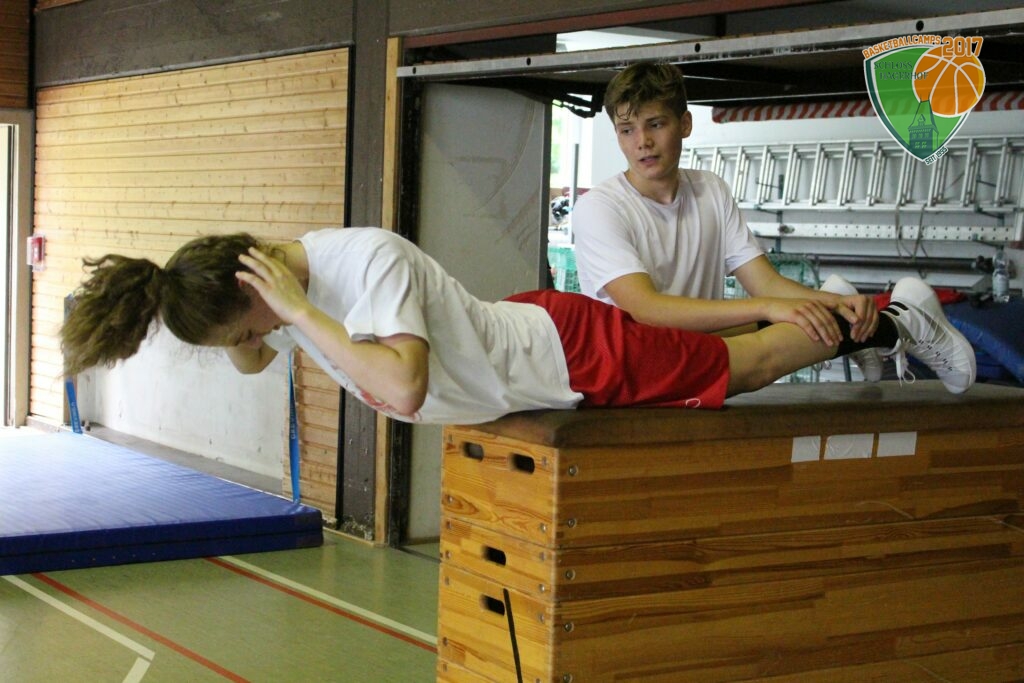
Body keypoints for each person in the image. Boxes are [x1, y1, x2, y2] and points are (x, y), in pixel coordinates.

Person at [60, 228, 975, 426]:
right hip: (541, 357)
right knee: (741, 364)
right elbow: (257, 361)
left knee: (752, 364)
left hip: (571, 350)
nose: (247, 346)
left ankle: (895, 312)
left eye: (238, 332)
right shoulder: (281, 294)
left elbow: (403, 386)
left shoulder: (362, 265)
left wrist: (298, 315)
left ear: (263, 289)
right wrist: (255, 330)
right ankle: (858, 307)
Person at [571, 61, 884, 380]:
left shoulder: (710, 189)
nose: (642, 142)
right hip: (634, 372)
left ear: (685, 124)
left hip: (697, 351)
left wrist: (837, 302)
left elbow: (765, 283)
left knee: (794, 318)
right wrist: (768, 307)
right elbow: (645, 309)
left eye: (655, 124)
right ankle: (882, 327)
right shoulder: (599, 207)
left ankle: (863, 322)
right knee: (771, 345)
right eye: (627, 130)